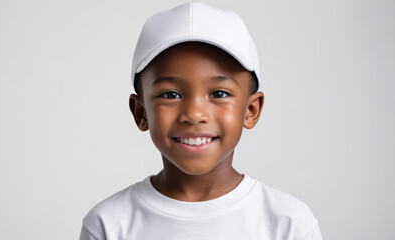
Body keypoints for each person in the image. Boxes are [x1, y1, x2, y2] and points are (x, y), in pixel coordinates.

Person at [79, 2, 322, 240]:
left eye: (218, 94)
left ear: (251, 110)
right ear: (141, 113)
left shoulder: (289, 224)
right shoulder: (108, 225)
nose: (194, 114)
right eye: (170, 95)